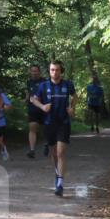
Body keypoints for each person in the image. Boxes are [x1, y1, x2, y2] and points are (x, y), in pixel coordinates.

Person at [30, 60, 77, 197]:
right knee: (54, 154)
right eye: (52, 70)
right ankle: (57, 175)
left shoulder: (68, 84)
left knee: (61, 152)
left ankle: (60, 184)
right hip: (49, 123)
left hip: (63, 122)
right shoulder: (43, 86)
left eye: (57, 70)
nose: (54, 72)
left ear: (61, 71)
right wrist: (42, 107)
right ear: (49, 71)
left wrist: (72, 108)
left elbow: (75, 96)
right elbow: (33, 99)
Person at [25, 65, 45, 159]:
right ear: (30, 72)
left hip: (43, 108)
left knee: (44, 128)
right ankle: (32, 150)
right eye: (32, 71)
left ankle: (48, 144)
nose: (34, 73)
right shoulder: (29, 82)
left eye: (36, 71)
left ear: (39, 72)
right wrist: (26, 100)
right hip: (32, 108)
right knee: (32, 127)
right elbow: (28, 93)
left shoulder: (45, 81)